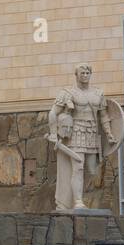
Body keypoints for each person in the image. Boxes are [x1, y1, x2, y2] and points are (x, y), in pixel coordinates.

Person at [46, 63, 113, 211]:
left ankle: (74, 196)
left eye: (87, 72)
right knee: (78, 167)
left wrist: (109, 134)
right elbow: (53, 113)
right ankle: (78, 202)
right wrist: (52, 133)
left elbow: (104, 116)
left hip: (92, 134)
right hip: (74, 132)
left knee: (91, 170)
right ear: (76, 75)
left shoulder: (98, 93)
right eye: (82, 73)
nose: (85, 75)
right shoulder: (68, 93)